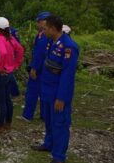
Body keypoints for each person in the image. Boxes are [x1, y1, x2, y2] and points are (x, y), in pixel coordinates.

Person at [31, 16, 79, 163]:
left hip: (58, 92)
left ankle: (58, 156)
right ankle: (49, 144)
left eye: (45, 28)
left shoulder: (68, 46)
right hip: (46, 89)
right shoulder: (51, 42)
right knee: (49, 121)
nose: (43, 30)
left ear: (52, 29)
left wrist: (62, 97)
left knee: (60, 124)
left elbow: (67, 75)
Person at [0, 17, 24, 133]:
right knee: (7, 99)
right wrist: (16, 64)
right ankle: (8, 122)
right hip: (9, 73)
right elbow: (20, 50)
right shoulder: (10, 37)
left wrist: (0, 67)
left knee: (1, 101)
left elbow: (2, 53)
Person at [21, 12, 51, 122]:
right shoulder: (44, 34)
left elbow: (40, 53)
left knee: (32, 91)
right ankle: (44, 115)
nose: (37, 24)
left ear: (45, 22)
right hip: (46, 68)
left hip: (40, 68)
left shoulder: (44, 36)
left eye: (39, 22)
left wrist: (34, 68)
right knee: (44, 92)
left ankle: (27, 115)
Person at [9, 27, 21, 100]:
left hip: (12, 57)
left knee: (10, 76)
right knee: (9, 76)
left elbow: (18, 48)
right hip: (11, 57)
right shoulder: (11, 31)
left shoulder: (12, 31)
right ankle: (13, 93)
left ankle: (15, 93)